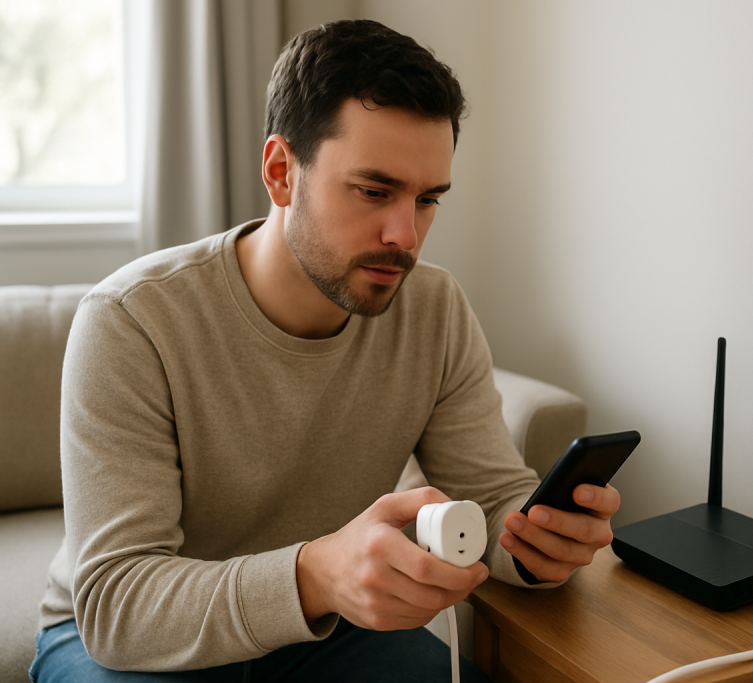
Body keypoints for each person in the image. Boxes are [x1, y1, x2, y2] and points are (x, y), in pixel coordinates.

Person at [30, 19, 620, 683]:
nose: (407, 235)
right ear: (282, 172)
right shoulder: (130, 321)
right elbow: (119, 608)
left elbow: (489, 497)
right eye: (374, 191)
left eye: (428, 199)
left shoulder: (433, 308)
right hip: (130, 649)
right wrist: (314, 574)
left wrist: (536, 540)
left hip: (326, 633)